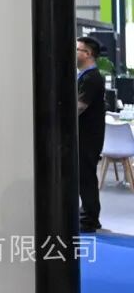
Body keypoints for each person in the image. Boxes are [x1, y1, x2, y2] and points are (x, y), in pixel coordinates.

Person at [76, 36, 106, 233]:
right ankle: (87, 214)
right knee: (83, 176)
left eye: (77, 49)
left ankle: (89, 219)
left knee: (86, 176)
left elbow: (80, 106)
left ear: (87, 54)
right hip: (83, 135)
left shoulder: (91, 78)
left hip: (88, 137)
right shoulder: (84, 76)